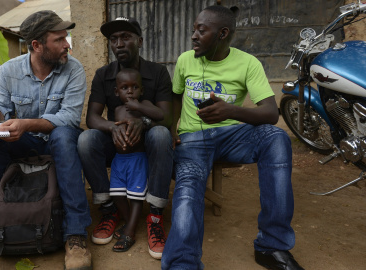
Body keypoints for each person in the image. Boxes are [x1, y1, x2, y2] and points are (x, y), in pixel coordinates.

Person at [162, 6, 304, 270]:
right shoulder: (185, 60)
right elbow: (176, 95)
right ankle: (182, 262)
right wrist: (172, 129)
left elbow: (271, 113)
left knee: (276, 138)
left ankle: (272, 247)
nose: (193, 36)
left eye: (201, 31)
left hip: (233, 135)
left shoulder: (248, 63)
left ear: (222, 33)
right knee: (188, 187)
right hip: (193, 139)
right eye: (194, 29)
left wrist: (231, 111)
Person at [0, 11, 92, 270]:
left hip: (58, 139)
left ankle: (75, 234)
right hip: (24, 140)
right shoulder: (8, 71)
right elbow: (2, 106)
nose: (67, 45)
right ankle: (12, 211)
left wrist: (25, 124)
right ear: (37, 45)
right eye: (59, 39)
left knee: (62, 134)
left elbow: (69, 118)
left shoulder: (74, 69)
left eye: (66, 38)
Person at [77, 16, 173, 259]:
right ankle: (109, 210)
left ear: (139, 41)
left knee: (161, 134)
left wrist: (146, 122)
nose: (119, 43)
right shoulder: (103, 74)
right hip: (117, 144)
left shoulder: (158, 72)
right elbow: (93, 118)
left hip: (146, 144)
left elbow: (167, 117)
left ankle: (155, 216)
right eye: (114, 39)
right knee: (86, 140)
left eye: (126, 37)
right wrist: (112, 128)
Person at [109, 68, 164, 252]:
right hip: (119, 159)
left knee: (135, 197)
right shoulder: (116, 110)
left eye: (134, 87)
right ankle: (129, 223)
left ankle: (130, 232)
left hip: (137, 160)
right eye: (125, 88)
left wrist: (139, 107)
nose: (130, 91)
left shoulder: (145, 104)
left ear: (141, 90)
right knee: (117, 194)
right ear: (117, 92)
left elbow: (160, 115)